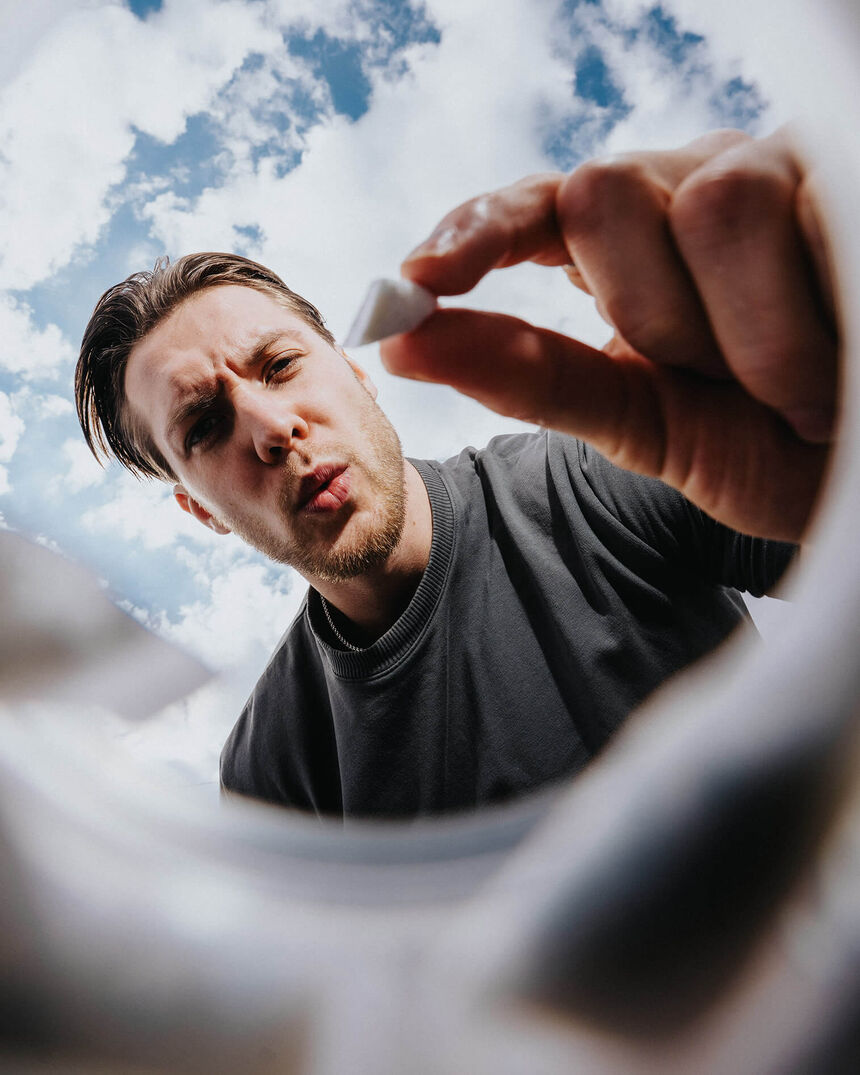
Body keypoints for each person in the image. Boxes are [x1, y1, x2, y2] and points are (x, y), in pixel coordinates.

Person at [75, 126, 836, 818]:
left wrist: (835, 447)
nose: (274, 430)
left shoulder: (605, 477)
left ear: (355, 372)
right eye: (205, 425)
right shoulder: (271, 776)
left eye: (280, 365)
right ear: (199, 508)